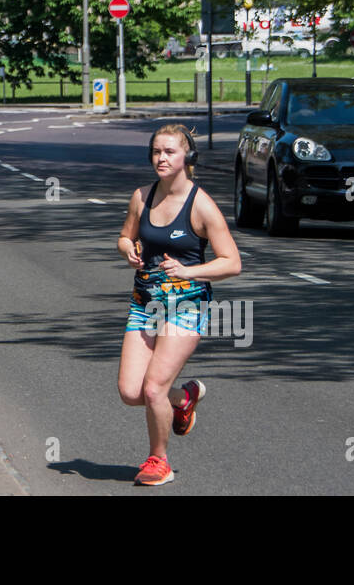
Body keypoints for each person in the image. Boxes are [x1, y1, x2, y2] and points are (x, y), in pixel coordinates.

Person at [116, 123, 242, 486]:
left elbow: (231, 262)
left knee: (153, 387)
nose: (161, 158)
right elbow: (125, 237)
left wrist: (189, 270)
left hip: (187, 306)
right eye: (156, 151)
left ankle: (159, 461)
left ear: (187, 157)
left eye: (170, 151)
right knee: (130, 392)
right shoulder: (142, 196)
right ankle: (183, 399)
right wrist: (129, 251)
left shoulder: (201, 205)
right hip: (144, 304)